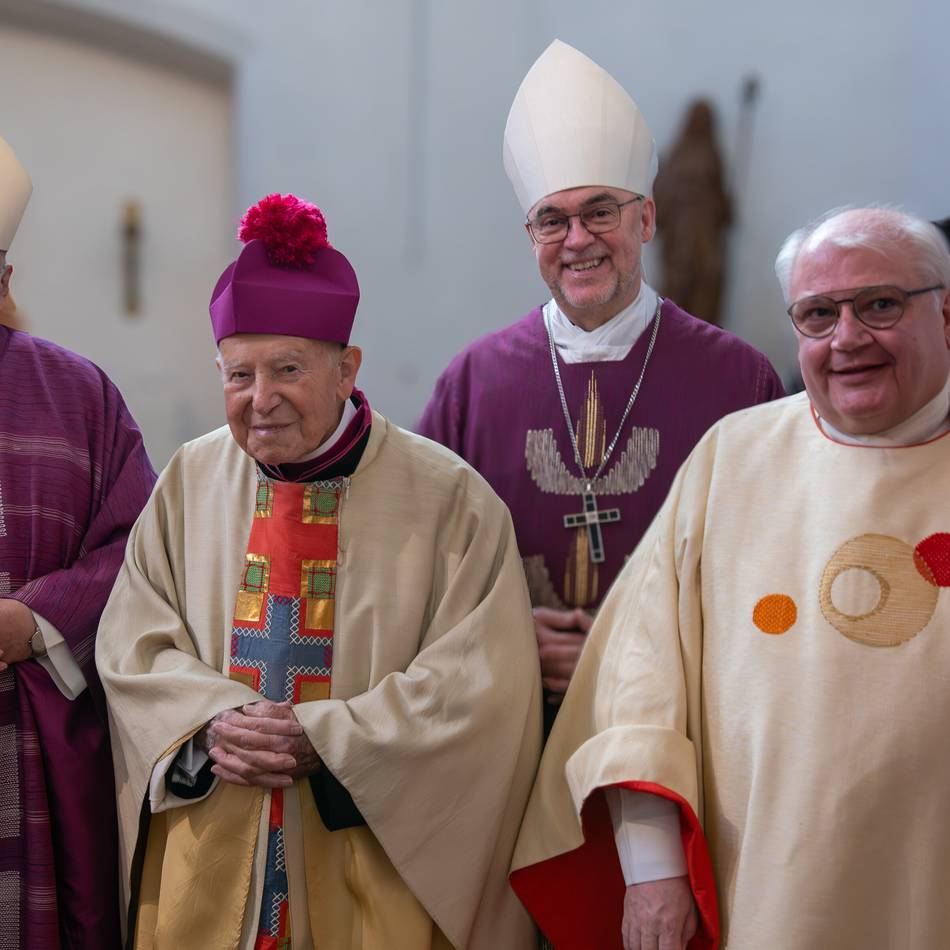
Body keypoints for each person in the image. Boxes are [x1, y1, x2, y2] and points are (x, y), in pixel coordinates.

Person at [96, 194, 542, 949]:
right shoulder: (188, 480)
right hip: (214, 858)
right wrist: (209, 724)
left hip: (371, 869)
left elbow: (480, 690)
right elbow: (133, 646)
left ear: (347, 369)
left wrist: (333, 740)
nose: (259, 400)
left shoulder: (450, 501)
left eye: (288, 369)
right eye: (238, 376)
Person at [509, 206, 950, 950]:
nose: (847, 338)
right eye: (817, 314)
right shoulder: (733, 457)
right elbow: (641, 681)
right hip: (768, 886)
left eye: (880, 304)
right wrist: (652, 869)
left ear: (945, 314)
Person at [418, 41, 782, 728]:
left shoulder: (738, 378)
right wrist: (508, 635)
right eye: (552, 219)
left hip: (677, 720)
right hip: (510, 719)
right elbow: (417, 557)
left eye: (600, 212)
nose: (577, 238)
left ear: (646, 219)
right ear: (531, 236)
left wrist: (640, 644)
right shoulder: (473, 382)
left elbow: (774, 558)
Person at [0, 133, 156, 947]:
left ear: (5, 276)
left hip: (30, 741)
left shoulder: (78, 393)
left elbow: (140, 545)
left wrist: (32, 623)